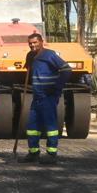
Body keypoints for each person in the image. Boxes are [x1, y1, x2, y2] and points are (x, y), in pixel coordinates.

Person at [20, 31, 72, 164]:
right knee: (32, 126)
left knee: (50, 126)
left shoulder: (49, 55)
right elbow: (29, 71)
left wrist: (57, 87)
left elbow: (66, 69)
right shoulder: (30, 56)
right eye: (30, 44)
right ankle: (33, 153)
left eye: (35, 43)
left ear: (41, 42)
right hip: (37, 96)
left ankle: (51, 154)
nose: (32, 46)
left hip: (48, 96)